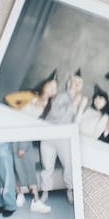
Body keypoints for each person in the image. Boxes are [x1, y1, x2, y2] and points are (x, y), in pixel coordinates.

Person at [39, 71, 84, 205]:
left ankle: (69, 191)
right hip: (49, 136)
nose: (77, 84)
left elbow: (76, 123)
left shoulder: (79, 100)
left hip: (64, 139)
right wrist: (73, 104)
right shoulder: (60, 96)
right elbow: (55, 115)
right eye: (75, 81)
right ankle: (45, 192)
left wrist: (79, 107)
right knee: (47, 167)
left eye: (80, 82)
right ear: (69, 82)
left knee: (69, 167)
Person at [12, 141, 51, 213]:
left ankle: (36, 201)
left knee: (29, 172)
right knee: (14, 171)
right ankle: (20, 195)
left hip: (22, 143)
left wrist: (23, 146)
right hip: (10, 144)